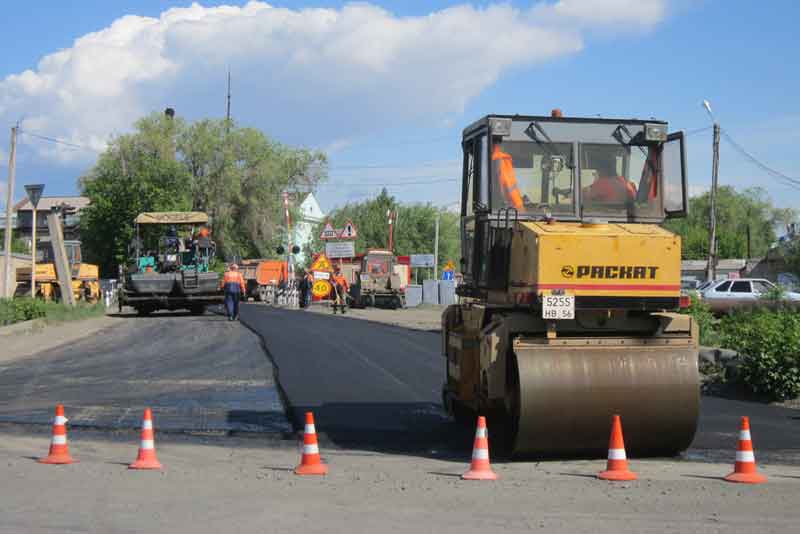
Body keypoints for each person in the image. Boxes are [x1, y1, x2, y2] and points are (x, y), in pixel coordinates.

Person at [492, 138, 524, 210]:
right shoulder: (502, 160)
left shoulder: (491, 159)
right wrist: (521, 210)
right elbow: (510, 186)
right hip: (503, 212)